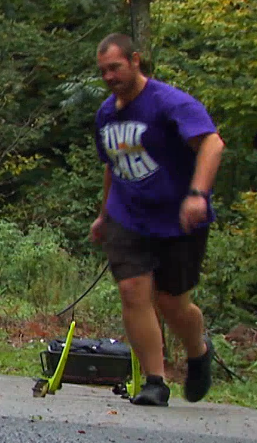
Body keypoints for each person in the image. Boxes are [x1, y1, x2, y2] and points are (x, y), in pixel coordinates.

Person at [88, 32, 224, 407]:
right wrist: (103, 215)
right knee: (133, 293)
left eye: (115, 67)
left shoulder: (169, 103)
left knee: (172, 303)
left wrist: (197, 194)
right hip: (127, 216)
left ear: (135, 60)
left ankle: (197, 351)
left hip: (178, 217)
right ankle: (155, 381)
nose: (110, 77)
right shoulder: (106, 114)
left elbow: (212, 143)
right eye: (103, 71)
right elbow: (111, 166)